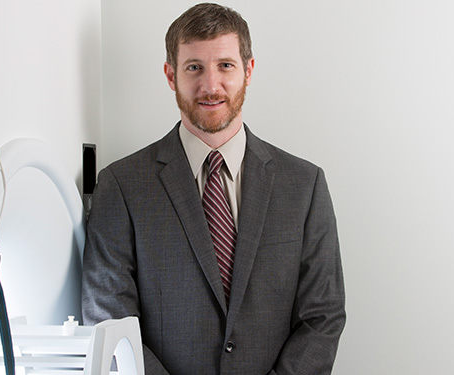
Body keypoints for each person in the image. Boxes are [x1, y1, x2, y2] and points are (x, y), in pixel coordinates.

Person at [82, 3, 346, 374]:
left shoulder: (304, 186)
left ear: (248, 70)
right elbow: (109, 322)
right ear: (170, 75)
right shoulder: (121, 187)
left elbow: (323, 316)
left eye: (225, 65)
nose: (210, 85)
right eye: (194, 68)